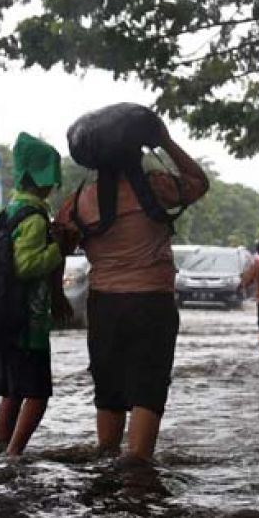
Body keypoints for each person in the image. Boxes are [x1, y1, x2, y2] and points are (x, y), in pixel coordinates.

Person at [56, 119, 209, 466]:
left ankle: (107, 463)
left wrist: (55, 294)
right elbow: (199, 182)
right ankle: (137, 472)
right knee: (148, 388)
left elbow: (59, 247)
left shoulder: (79, 200)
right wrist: (166, 142)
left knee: (108, 389)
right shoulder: (156, 187)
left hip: (104, 305)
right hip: (152, 303)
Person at [0, 132, 68, 457]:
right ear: (44, 179)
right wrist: (60, 249)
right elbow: (26, 265)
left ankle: (0, 447)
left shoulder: (11, 209)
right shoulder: (34, 217)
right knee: (37, 393)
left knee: (13, 391)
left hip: (7, 318)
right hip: (28, 325)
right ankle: (14, 454)